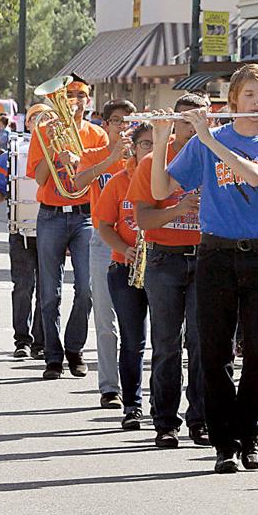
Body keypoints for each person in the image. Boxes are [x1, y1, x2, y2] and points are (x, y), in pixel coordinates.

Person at [151, 63, 258, 474]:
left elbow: (254, 178)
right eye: (248, 95)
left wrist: (205, 138)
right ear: (233, 100)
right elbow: (162, 190)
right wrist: (163, 138)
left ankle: (251, 434)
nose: (255, 103)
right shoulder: (206, 140)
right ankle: (223, 443)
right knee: (213, 352)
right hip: (215, 253)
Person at [129, 93, 208, 449]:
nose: (191, 126)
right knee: (166, 343)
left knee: (203, 343)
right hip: (165, 258)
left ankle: (201, 419)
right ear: (173, 122)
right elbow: (143, 218)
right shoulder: (152, 161)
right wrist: (179, 210)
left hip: (207, 257)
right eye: (185, 120)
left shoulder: (214, 155)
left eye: (198, 119)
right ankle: (164, 421)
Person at [27, 74, 106, 380]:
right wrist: (54, 153)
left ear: (89, 99)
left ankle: (74, 349)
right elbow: (40, 177)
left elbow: (102, 173)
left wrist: (80, 161)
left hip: (85, 215)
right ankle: (52, 355)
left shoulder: (96, 134)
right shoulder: (44, 131)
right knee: (49, 292)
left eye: (80, 95)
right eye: (69, 94)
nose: (74, 100)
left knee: (86, 289)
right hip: (51, 215)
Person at [74, 98, 136, 409]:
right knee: (104, 317)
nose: (124, 126)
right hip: (103, 239)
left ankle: (137, 387)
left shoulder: (145, 155)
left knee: (139, 322)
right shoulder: (93, 154)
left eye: (129, 121)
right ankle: (110, 387)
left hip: (142, 240)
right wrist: (110, 158)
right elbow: (77, 182)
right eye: (117, 121)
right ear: (106, 124)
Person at [94, 121, 151, 431]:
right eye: (145, 144)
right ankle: (132, 404)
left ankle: (163, 405)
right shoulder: (118, 182)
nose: (152, 150)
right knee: (132, 340)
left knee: (169, 341)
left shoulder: (171, 178)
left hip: (163, 268)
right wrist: (123, 249)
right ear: (134, 148)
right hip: (124, 268)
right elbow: (103, 225)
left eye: (157, 144)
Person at [0, 112, 45, 360]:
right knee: (23, 287)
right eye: (37, 118)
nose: (41, 123)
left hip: (52, 229)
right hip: (19, 231)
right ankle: (22, 340)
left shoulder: (62, 154)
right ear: (28, 123)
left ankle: (41, 341)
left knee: (48, 290)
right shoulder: (8, 156)